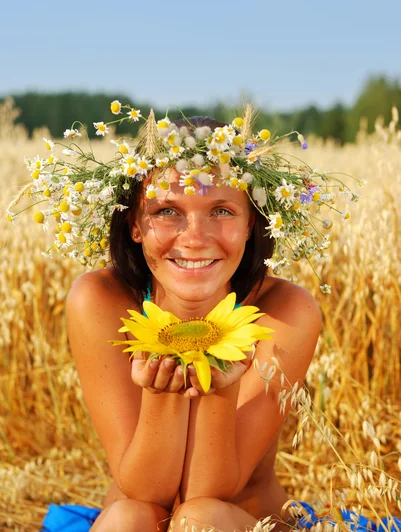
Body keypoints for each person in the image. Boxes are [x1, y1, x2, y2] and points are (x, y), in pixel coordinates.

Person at [13, 107, 357, 531]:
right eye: (167, 211)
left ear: (251, 223)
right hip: (135, 513)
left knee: (198, 519)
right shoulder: (99, 299)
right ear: (134, 223)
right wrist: (161, 395)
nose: (194, 238)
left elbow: (207, 495)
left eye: (222, 211)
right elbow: (145, 491)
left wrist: (218, 391)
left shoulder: (286, 311)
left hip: (237, 521)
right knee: (127, 517)